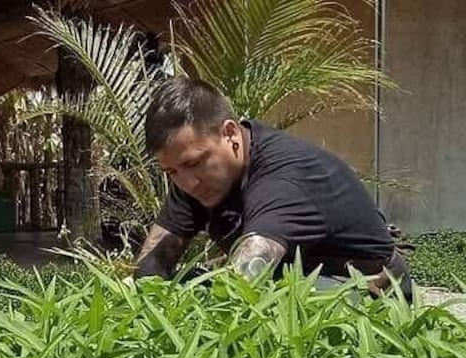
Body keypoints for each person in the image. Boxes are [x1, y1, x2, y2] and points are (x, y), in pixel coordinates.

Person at [135, 76, 412, 300]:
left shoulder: (283, 176)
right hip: (291, 277)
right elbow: (149, 268)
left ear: (230, 134)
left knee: (263, 298)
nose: (186, 183)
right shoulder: (192, 177)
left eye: (194, 163)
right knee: (189, 283)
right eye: (171, 172)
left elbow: (241, 286)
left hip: (366, 288)